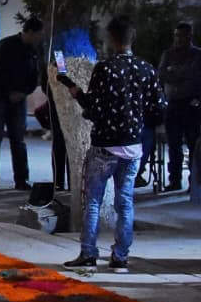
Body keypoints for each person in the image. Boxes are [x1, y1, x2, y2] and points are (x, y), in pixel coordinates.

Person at [64, 16, 166, 273]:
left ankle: (88, 253)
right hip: (133, 147)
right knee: (125, 202)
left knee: (95, 202)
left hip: (105, 146)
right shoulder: (147, 69)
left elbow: (93, 108)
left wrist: (76, 92)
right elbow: (158, 109)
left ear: (112, 38)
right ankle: (120, 257)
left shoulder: (106, 69)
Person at [0, 16, 44, 191]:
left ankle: (21, 179)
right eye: (38, 34)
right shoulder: (5, 46)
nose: (40, 38)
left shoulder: (33, 50)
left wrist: (23, 93)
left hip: (18, 100)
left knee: (18, 139)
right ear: (30, 32)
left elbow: (35, 76)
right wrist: (10, 93)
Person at [157, 22, 201, 191]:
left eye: (181, 35)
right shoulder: (168, 54)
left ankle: (194, 182)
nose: (178, 39)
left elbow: (194, 74)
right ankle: (174, 180)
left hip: (191, 104)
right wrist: (181, 72)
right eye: (176, 35)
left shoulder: (197, 54)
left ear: (189, 36)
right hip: (173, 104)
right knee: (173, 145)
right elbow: (162, 74)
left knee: (192, 144)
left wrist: (174, 71)